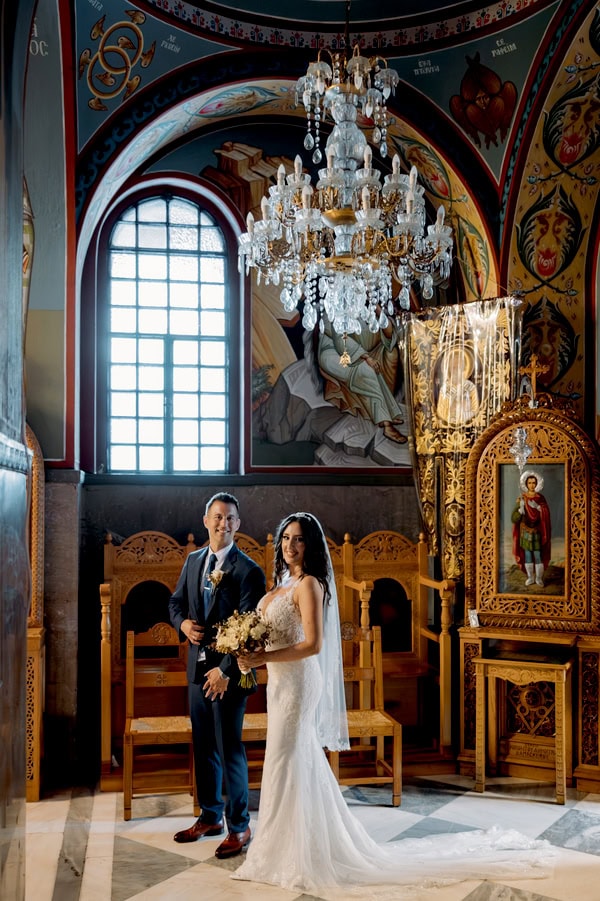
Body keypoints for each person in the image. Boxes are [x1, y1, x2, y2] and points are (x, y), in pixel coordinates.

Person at [232, 512, 554, 895]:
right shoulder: (283, 582)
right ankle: (284, 847)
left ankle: (298, 855)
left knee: (288, 757)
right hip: (279, 684)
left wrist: (263, 658)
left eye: (298, 539)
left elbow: (313, 645)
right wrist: (247, 648)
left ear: (311, 545)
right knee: (287, 759)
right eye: (286, 538)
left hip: (300, 683)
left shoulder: (311, 585)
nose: (290, 545)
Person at [168, 492, 266, 858]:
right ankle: (210, 816)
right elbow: (175, 603)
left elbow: (250, 630)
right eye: (217, 517)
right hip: (197, 671)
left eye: (230, 518)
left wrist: (224, 671)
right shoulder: (194, 561)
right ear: (206, 520)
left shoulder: (249, 571)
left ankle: (239, 826)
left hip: (229, 676)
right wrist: (184, 625)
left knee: (230, 750)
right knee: (203, 747)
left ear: (238, 525)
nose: (223, 524)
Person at [512, 470, 551, 587]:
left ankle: (539, 578)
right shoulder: (522, 499)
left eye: (534, 483)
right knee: (528, 554)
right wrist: (520, 510)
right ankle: (530, 577)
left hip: (537, 532)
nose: (532, 485)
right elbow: (514, 518)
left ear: (537, 484)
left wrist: (539, 507)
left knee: (538, 555)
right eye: (530, 483)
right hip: (525, 531)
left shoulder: (540, 498)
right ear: (526, 484)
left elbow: (546, 514)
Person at [436, 346, 480, 425]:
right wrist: (451, 408)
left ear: (464, 367)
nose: (456, 370)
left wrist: (464, 410)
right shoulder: (444, 389)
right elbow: (440, 413)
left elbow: (476, 411)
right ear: (449, 368)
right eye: (453, 367)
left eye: (459, 366)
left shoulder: (470, 387)